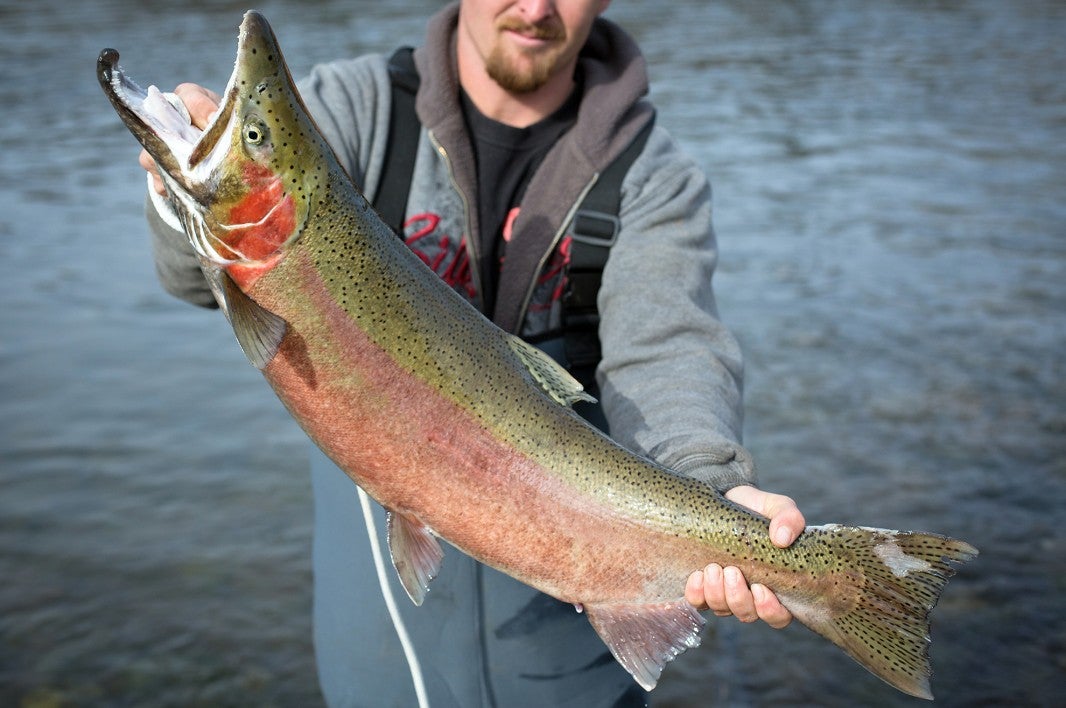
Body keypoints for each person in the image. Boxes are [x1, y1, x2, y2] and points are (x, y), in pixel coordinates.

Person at [140, 1, 805, 705]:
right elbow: (196, 278)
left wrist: (709, 483)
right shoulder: (352, 109)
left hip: (572, 663)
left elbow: (668, 346)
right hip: (375, 648)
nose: (536, 6)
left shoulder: (651, 175)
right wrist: (183, 194)